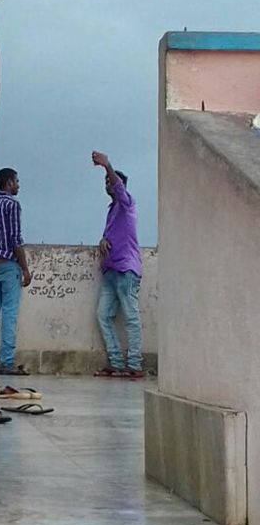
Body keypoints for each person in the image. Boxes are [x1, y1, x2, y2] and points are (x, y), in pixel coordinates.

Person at [91, 151, 144, 379]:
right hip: (111, 271)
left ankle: (134, 364)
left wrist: (107, 165)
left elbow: (118, 187)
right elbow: (111, 235)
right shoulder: (112, 211)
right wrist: (103, 240)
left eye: (110, 181)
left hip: (126, 269)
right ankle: (116, 362)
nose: (108, 184)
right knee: (103, 315)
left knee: (131, 317)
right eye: (105, 182)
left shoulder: (127, 203)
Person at [0, 168, 32, 375]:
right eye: (16, 181)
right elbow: (15, 239)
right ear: (9, 183)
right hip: (10, 264)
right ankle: (7, 362)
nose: (18, 185)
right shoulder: (12, 205)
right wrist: (25, 268)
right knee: (9, 313)